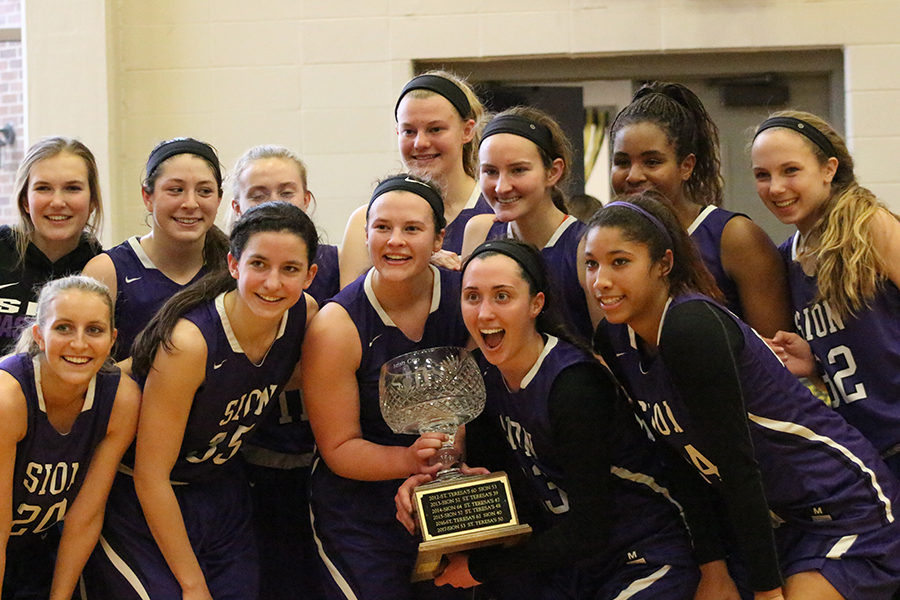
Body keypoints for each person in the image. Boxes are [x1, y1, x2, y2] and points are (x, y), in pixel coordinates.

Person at [585, 191, 900, 600]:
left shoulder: (690, 327)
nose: (601, 281)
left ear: (663, 264)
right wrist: (712, 568)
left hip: (843, 506)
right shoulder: (615, 338)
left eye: (620, 262)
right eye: (592, 263)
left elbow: (739, 468)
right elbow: (681, 462)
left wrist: (766, 592)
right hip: (775, 521)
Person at [395, 238, 700, 599]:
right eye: (472, 296)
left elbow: (589, 527)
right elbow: (500, 487)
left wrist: (479, 569)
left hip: (641, 554)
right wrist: (438, 496)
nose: (485, 312)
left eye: (502, 296)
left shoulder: (574, 385)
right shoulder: (482, 376)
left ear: (536, 304)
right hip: (571, 565)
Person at [85, 202, 319, 599]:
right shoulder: (189, 344)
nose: (273, 283)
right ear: (232, 264)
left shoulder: (304, 315)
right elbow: (150, 476)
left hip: (220, 489)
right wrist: (193, 585)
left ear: (311, 275)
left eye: (290, 269)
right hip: (141, 497)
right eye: (259, 264)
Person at [302, 174, 469, 600]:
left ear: (438, 239)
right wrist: (413, 462)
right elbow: (338, 448)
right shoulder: (337, 325)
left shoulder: (466, 298)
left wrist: (444, 464)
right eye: (382, 228)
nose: (395, 241)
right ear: (366, 233)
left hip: (442, 491)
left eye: (412, 229)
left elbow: (477, 404)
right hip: (358, 512)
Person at [751, 111, 900, 477]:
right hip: (867, 449)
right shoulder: (786, 256)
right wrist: (815, 362)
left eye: (790, 170)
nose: (776, 187)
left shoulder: (869, 225)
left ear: (828, 169)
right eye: (762, 175)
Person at [228, 144, 335, 599]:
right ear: (235, 209)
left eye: (286, 192)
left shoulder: (330, 266)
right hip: (251, 464)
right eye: (258, 193)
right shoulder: (233, 279)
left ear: (307, 199)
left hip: (321, 460)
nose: (273, 201)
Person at [609, 81, 791, 337]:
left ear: (686, 166)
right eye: (622, 162)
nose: (633, 175)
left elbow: (779, 353)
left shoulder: (735, 237)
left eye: (652, 162)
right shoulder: (608, 243)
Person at [0, 275, 139, 599]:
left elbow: (85, 516)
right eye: (63, 328)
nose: (79, 343)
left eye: (94, 330)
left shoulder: (121, 398)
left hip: (32, 544)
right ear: (40, 336)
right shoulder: (8, 399)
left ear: (112, 339)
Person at [82, 137, 229, 362]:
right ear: (147, 197)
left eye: (204, 191)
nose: (190, 203)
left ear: (219, 199)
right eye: (175, 190)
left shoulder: (234, 269)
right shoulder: (107, 271)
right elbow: (83, 367)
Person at [340, 71, 490, 285]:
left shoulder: (496, 213)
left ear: (467, 131)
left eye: (435, 129)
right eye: (409, 131)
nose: (420, 143)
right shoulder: (364, 220)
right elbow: (350, 311)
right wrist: (411, 261)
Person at [462, 106, 598, 342]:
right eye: (491, 171)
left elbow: (606, 351)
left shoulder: (583, 245)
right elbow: (475, 339)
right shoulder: (479, 231)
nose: (501, 187)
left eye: (518, 170)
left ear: (552, 172)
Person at [0, 137, 104, 354]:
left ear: (92, 201)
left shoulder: (104, 271)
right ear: (25, 201)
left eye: (72, 188)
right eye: (43, 188)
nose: (57, 202)